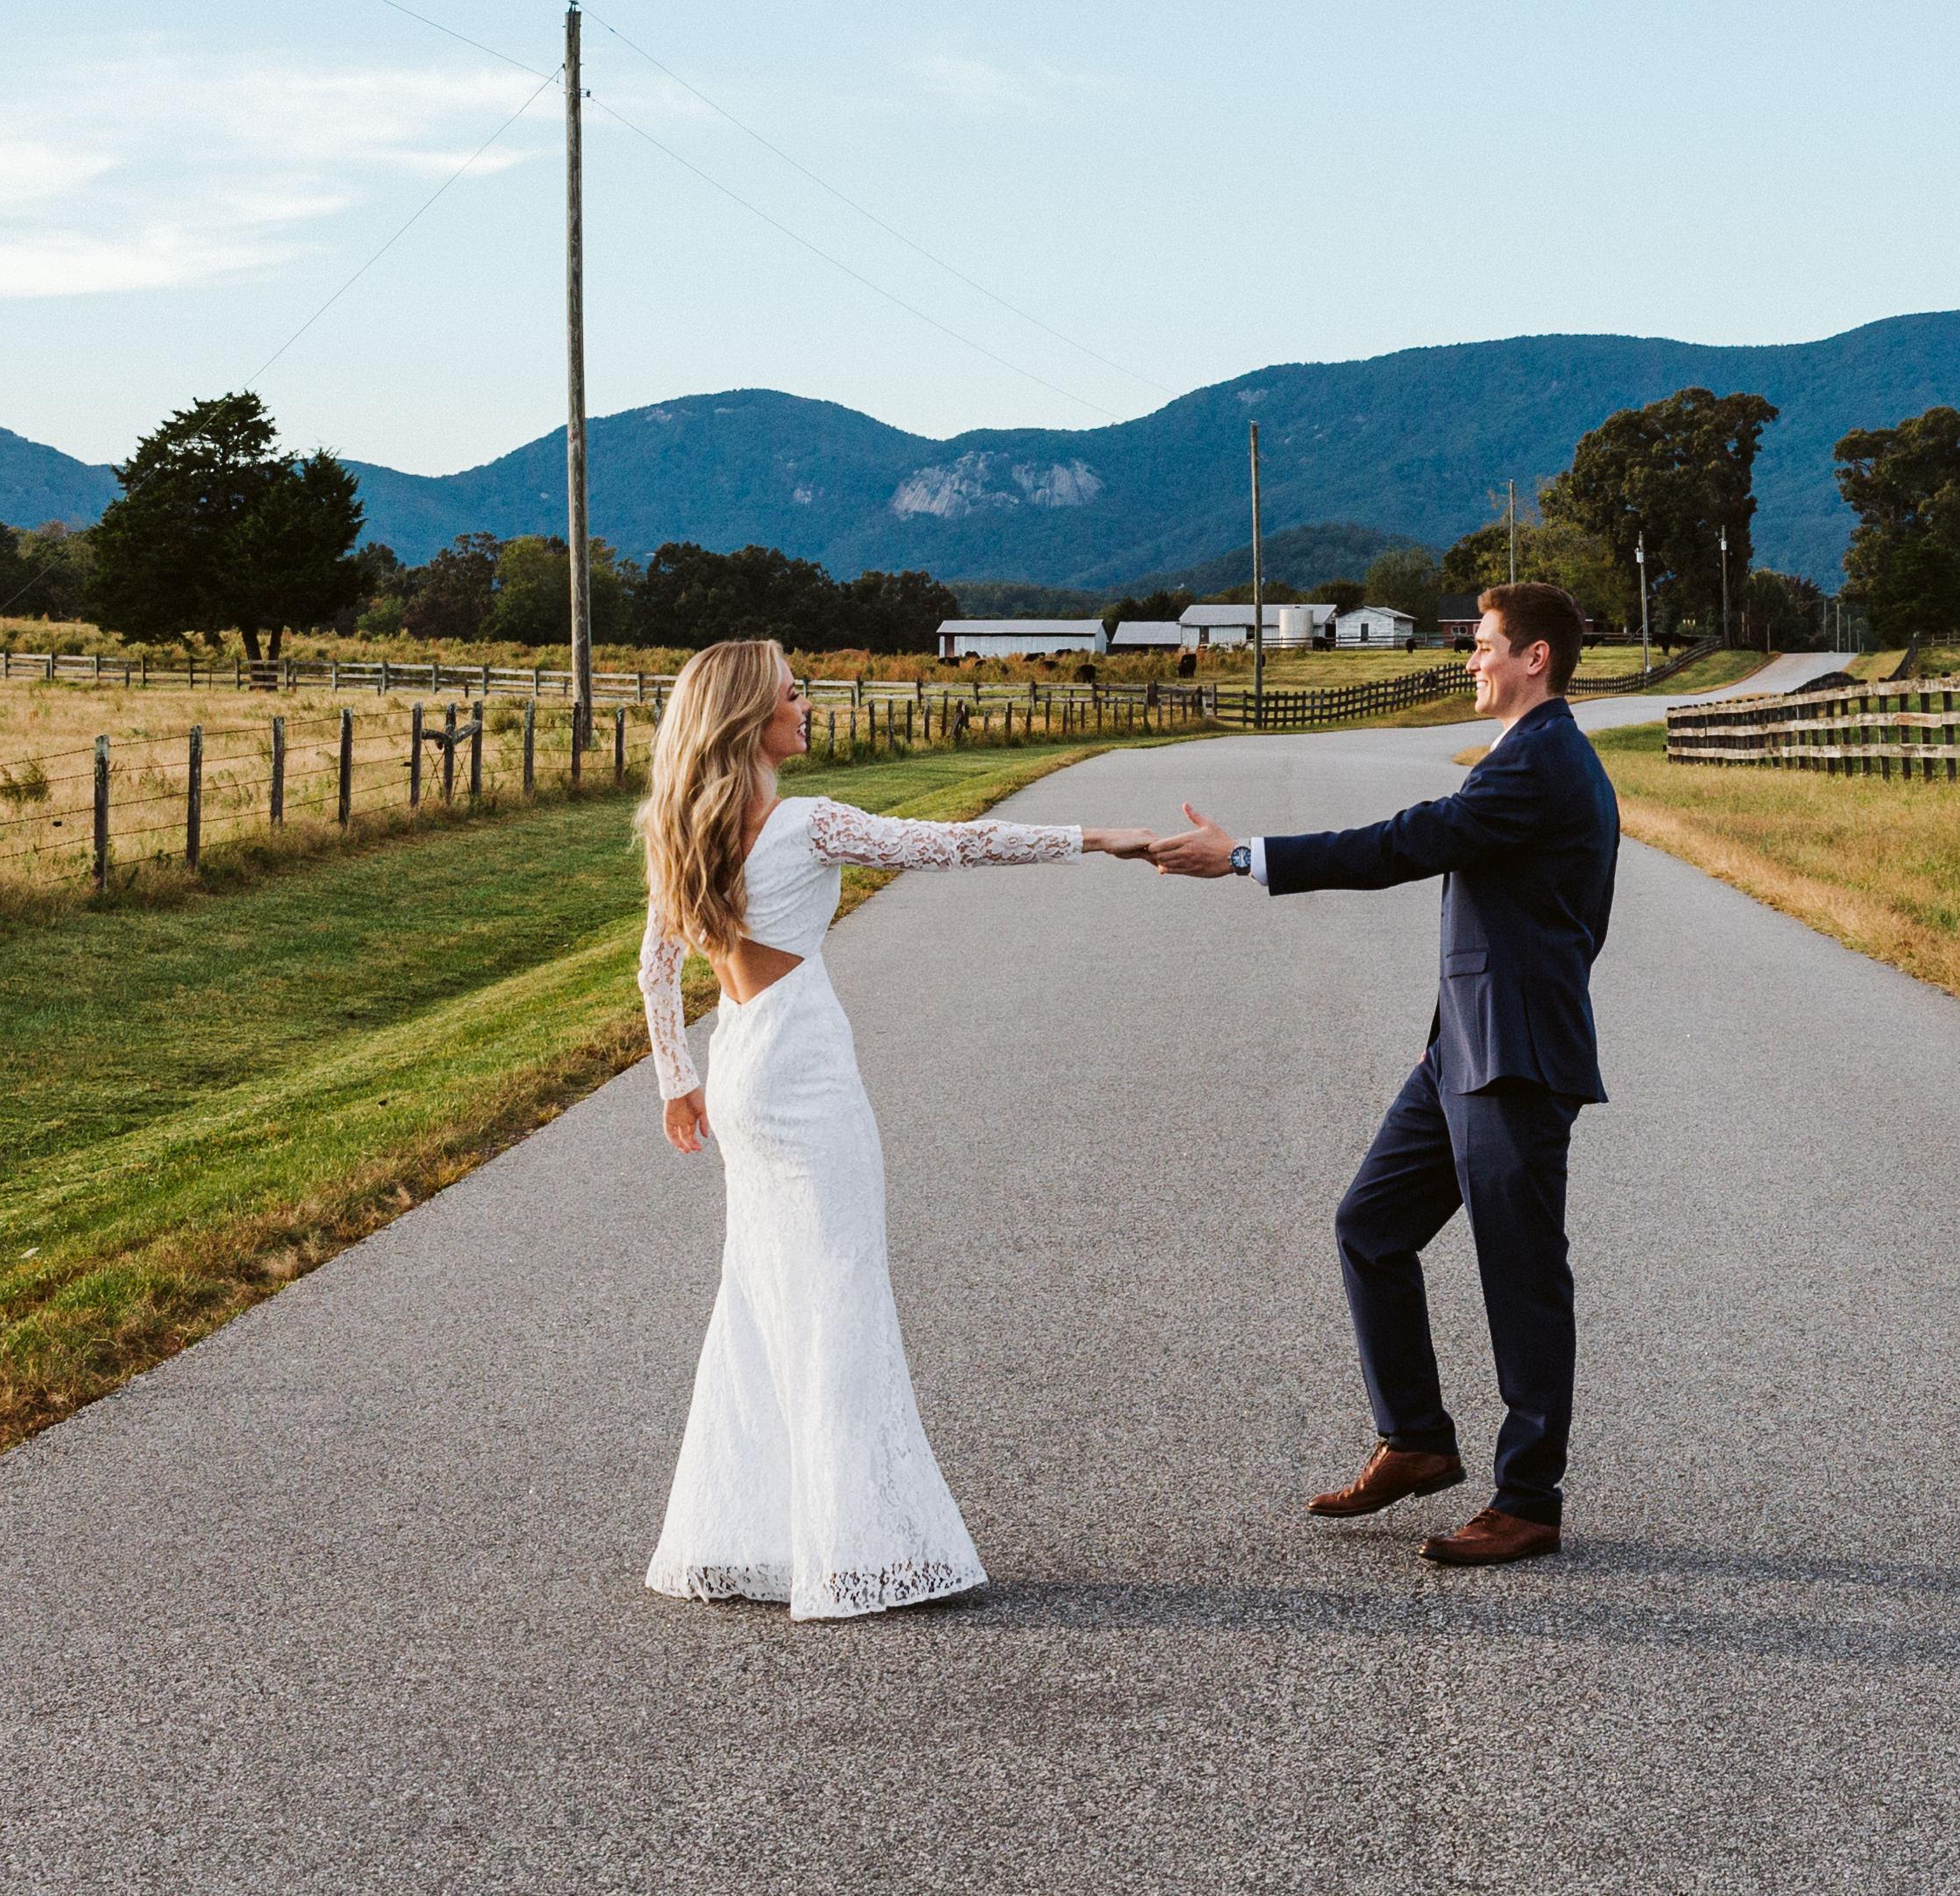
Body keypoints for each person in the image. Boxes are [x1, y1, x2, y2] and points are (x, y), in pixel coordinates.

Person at [637, 633, 1167, 1617]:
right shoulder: (806, 824)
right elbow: (954, 844)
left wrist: (680, 1081)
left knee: (760, 1298)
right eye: (793, 694)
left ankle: (761, 1535)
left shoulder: (685, 830)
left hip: (741, 1066)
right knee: (839, 1296)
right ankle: (854, 1551)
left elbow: (655, 968)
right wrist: (1099, 838)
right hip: (803, 1076)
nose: (807, 705)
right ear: (752, 717)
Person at [1144, 580, 1616, 1566]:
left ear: (1534, 657)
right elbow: (1514, 912)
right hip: (1461, 1050)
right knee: (1370, 1225)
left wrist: (1247, 857)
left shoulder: (1542, 760)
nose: (1472, 659)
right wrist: (1448, 1032)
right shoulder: (1525, 753)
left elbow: (1409, 843)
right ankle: (1416, 1440)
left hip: (1514, 1059)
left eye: (1485, 644)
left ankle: (1529, 1499)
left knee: (1523, 1277)